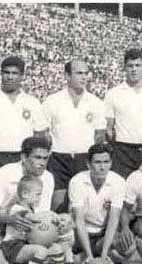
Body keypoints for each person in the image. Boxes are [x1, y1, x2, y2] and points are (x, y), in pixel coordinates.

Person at [0, 137, 54, 264]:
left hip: (29, 225)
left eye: (45, 158)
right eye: (37, 157)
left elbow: (43, 212)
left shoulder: (48, 178)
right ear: (24, 157)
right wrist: (11, 219)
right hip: (2, 222)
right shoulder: (4, 173)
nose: (42, 163)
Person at [0, 56, 49, 210]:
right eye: (6, 72)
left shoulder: (32, 102)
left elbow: (39, 133)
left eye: (14, 73)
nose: (10, 77)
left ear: (22, 76)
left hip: (21, 157)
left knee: (22, 199)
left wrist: (29, 153)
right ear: (1, 74)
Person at [43, 60, 106, 213]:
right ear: (67, 75)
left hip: (84, 158)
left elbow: (100, 134)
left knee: (82, 204)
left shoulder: (95, 102)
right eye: (79, 73)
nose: (84, 77)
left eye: (86, 73)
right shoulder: (52, 101)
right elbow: (44, 132)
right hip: (59, 158)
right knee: (58, 204)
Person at [69, 143, 135, 264]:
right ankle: (76, 259)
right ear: (88, 164)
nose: (102, 167)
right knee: (67, 234)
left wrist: (104, 255)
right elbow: (79, 220)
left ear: (110, 163)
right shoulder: (77, 181)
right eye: (97, 162)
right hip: (80, 233)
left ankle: (106, 257)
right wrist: (89, 256)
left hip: (101, 234)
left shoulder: (118, 182)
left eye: (106, 162)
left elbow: (114, 219)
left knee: (129, 248)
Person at [104, 48, 142, 178]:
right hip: (123, 152)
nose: (134, 69)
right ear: (124, 68)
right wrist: (119, 145)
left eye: (138, 65)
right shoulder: (113, 93)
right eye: (130, 66)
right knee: (123, 191)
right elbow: (108, 128)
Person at [1, 175, 68, 264]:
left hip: (27, 244)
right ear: (25, 194)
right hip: (13, 247)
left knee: (57, 248)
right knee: (40, 251)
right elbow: (33, 218)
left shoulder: (33, 209)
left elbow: (39, 218)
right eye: (38, 194)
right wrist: (50, 215)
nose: (40, 197)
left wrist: (52, 216)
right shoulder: (16, 208)